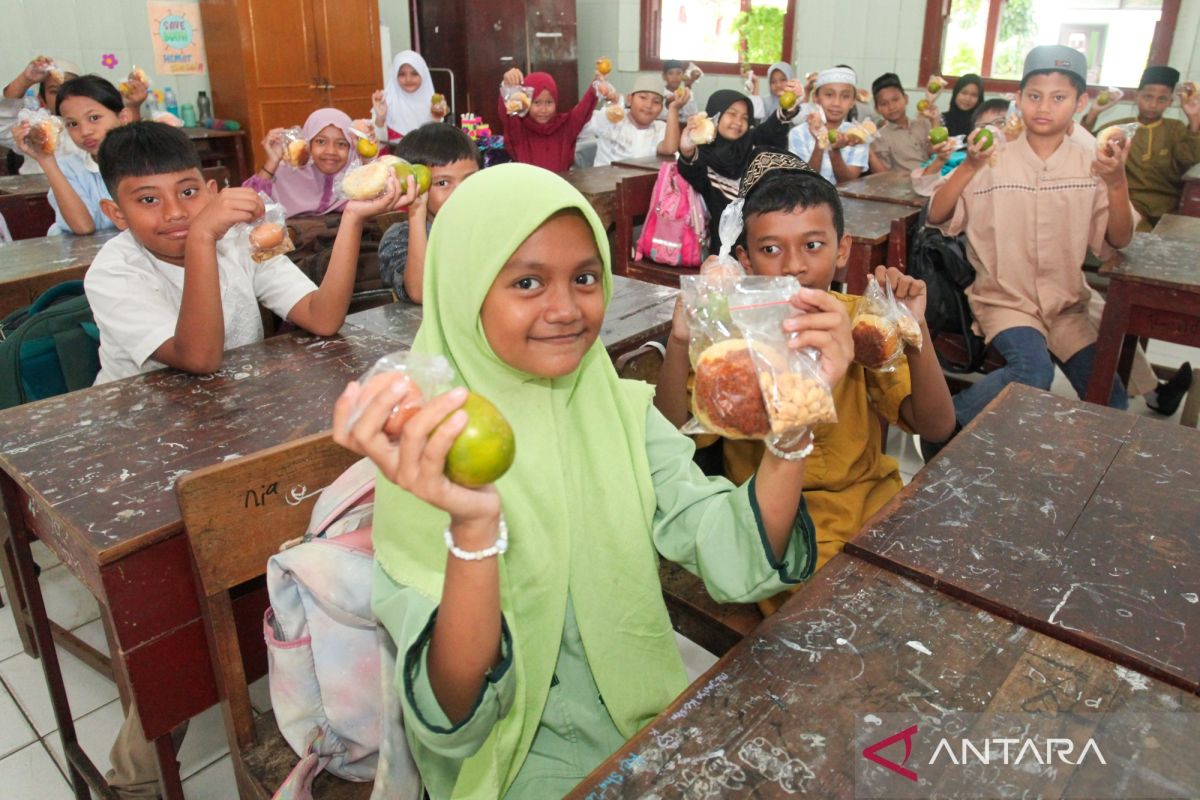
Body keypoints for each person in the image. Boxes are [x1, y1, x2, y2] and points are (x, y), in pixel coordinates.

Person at [333, 163, 842, 797]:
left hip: (644, 720)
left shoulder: (620, 410)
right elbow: (454, 715)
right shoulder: (429, 447)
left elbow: (738, 557)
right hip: (512, 763)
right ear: (464, 289)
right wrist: (473, 530)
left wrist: (794, 418)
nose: (566, 310)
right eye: (527, 282)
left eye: (584, 277)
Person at [656, 152, 955, 598]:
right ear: (745, 260)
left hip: (874, 510)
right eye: (771, 249)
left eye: (813, 245)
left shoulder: (860, 322)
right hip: (775, 528)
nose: (794, 266)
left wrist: (916, 331)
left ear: (842, 249)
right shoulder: (730, 339)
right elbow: (672, 436)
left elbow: (937, 426)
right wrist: (681, 342)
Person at [85, 121, 417, 385]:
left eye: (188, 192)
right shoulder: (112, 273)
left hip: (232, 398)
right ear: (116, 214)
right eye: (148, 199)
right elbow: (199, 358)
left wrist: (352, 218)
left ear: (210, 191)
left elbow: (322, 318)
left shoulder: (238, 239)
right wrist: (202, 237)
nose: (175, 212)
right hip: (141, 419)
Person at [927, 45, 1135, 428]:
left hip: (1066, 304)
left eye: (1059, 98)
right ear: (1018, 98)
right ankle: (944, 424)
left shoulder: (1093, 160)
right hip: (1005, 297)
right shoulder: (991, 153)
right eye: (1035, 96)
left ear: (1080, 102)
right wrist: (969, 165)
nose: (1044, 107)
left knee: (1112, 398)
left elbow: (1119, 238)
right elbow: (937, 214)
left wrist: (1117, 182)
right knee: (1032, 372)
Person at [11, 75, 142, 235]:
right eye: (72, 124)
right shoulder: (69, 168)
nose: (85, 131)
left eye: (94, 118)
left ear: (123, 118)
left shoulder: (148, 161)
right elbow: (83, 227)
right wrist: (45, 160)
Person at [675, 87, 801, 251]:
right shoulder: (702, 155)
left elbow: (770, 130)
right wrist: (687, 150)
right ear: (715, 114)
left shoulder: (750, 145)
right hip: (725, 249)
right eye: (732, 114)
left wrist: (786, 111)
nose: (738, 121)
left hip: (763, 238)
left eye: (745, 117)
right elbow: (692, 171)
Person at [1082, 65, 1200, 230]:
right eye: (1148, 97)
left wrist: (1194, 119)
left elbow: (1189, 160)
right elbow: (1082, 148)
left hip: (1169, 206)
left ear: (1170, 102)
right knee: (1134, 235)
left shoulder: (1176, 128)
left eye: (1161, 99)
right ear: (1137, 96)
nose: (1153, 104)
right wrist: (1094, 112)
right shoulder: (1118, 128)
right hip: (1129, 202)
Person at [379, 122, 481, 303]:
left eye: (469, 180)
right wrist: (417, 210)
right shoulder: (400, 236)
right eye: (443, 183)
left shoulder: (487, 226)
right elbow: (420, 293)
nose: (460, 192)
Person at [243, 108, 360, 216]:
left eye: (341, 144)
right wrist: (272, 162)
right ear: (307, 143)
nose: (331, 151)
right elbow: (247, 207)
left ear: (351, 148)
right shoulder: (286, 173)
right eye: (321, 142)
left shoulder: (356, 177)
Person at [498, 68, 598, 172]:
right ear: (526, 102)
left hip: (559, 182)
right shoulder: (519, 129)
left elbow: (584, 109)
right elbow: (506, 113)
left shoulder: (565, 126)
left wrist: (597, 83)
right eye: (537, 102)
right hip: (528, 183)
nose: (544, 110)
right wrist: (507, 85)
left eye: (549, 102)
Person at [0, 56, 83, 175]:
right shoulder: (34, 125)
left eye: (71, 90)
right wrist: (25, 80)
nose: (63, 96)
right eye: (54, 91)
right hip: (37, 187)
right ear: (42, 99)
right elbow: (2, 124)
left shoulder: (96, 126)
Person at [788, 66, 869, 184]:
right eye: (829, 95)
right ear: (816, 98)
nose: (836, 103)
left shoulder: (857, 135)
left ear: (853, 102)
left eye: (845, 96)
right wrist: (820, 142)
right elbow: (804, 181)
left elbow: (848, 182)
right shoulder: (798, 134)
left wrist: (834, 150)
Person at [580, 74, 669, 167]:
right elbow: (578, 123)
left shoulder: (661, 129)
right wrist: (594, 93)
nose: (648, 105)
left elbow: (671, 151)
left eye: (656, 102)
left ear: (661, 108)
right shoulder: (612, 117)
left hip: (645, 176)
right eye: (643, 97)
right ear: (630, 99)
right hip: (605, 175)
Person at [374, 51, 449, 140]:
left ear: (423, 74)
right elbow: (377, 142)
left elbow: (436, 142)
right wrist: (380, 118)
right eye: (402, 74)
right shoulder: (384, 102)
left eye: (414, 74)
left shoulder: (434, 105)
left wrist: (436, 118)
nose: (408, 79)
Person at [868, 72, 933, 173]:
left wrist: (935, 121)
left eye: (895, 100)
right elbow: (882, 175)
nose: (891, 107)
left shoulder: (923, 124)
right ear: (877, 109)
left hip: (934, 177)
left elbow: (936, 155)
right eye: (884, 104)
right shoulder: (880, 137)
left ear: (906, 99)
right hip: (906, 182)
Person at [943, 73, 984, 138]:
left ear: (979, 99)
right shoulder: (941, 119)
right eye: (964, 93)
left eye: (974, 95)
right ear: (956, 93)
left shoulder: (982, 124)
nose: (968, 99)